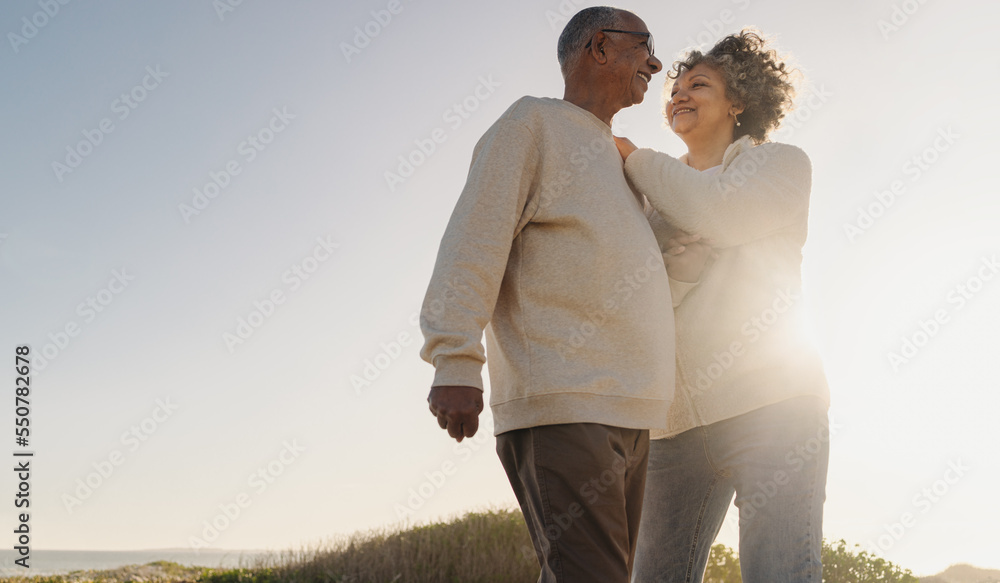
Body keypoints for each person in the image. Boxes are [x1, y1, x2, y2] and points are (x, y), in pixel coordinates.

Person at [419, 7, 674, 582]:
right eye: (644, 47)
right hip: (566, 402)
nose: (656, 63)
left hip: (631, 414)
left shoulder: (622, 158)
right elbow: (473, 240)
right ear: (600, 48)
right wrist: (455, 358)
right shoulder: (531, 124)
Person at [613, 30, 831, 582]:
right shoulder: (656, 200)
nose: (679, 94)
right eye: (675, 87)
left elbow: (720, 214)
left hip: (774, 405)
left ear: (739, 102)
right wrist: (678, 278)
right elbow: (643, 309)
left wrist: (637, 160)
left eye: (699, 85)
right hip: (675, 425)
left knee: (780, 572)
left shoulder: (782, 165)